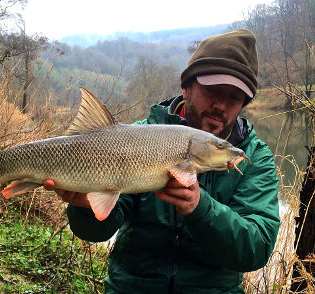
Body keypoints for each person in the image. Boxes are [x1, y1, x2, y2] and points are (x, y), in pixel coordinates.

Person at [44, 29, 280, 293]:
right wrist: (85, 208)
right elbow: (97, 232)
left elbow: (256, 250)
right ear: (187, 87)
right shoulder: (136, 137)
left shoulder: (254, 158)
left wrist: (200, 208)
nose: (221, 105)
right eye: (212, 90)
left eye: (234, 97)